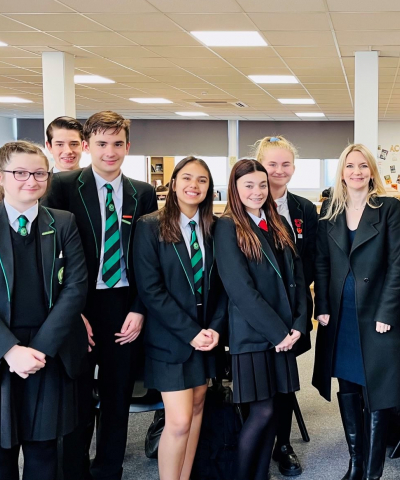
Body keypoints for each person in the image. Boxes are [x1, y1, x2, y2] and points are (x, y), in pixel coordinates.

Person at [0, 141, 88, 480]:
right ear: (0, 176)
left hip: (48, 352)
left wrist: (38, 350)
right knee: (0, 454)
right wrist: (11, 351)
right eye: (21, 172)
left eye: (40, 172)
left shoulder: (64, 222)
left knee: (44, 452)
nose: (31, 180)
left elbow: (75, 288)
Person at [42, 111, 157, 480]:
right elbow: (53, 255)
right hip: (78, 305)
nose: (110, 152)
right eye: (102, 144)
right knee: (75, 394)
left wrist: (140, 308)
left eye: (118, 144)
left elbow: (150, 258)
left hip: (124, 305)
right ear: (88, 145)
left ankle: (109, 468)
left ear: (128, 146)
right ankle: (73, 470)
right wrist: (71, 311)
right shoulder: (61, 185)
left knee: (117, 394)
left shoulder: (143, 193)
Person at [312, 143, 400, 480]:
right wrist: (320, 305)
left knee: (377, 388)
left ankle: (372, 471)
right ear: (341, 172)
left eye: (363, 166)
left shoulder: (389, 208)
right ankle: (355, 464)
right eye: (350, 166)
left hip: (376, 313)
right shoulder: (330, 210)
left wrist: (387, 312)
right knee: (349, 386)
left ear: (372, 171)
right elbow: (322, 263)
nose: (356, 172)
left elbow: (399, 265)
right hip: (341, 313)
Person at [134, 157, 227, 480]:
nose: (194, 185)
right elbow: (150, 289)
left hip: (206, 337)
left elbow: (224, 286)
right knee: (178, 421)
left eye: (202, 180)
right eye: (186, 178)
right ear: (173, 184)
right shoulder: (150, 226)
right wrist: (190, 332)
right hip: (170, 338)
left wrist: (215, 328)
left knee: (199, 406)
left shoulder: (216, 228)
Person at [214, 159, 306, 480]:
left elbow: (297, 276)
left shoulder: (277, 220)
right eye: (248, 185)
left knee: (276, 411)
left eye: (262, 185)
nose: (256, 191)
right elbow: (240, 290)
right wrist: (279, 333)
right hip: (254, 336)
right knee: (262, 411)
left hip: (284, 333)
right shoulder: (227, 226)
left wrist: (299, 323)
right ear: (235, 189)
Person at [253, 135, 319, 477]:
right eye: (271, 164)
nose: (279, 171)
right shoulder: (246, 208)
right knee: (259, 384)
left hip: (293, 314)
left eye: (286, 164)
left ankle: (282, 444)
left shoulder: (304, 210)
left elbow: (308, 263)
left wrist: (298, 317)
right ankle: (255, 445)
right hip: (255, 318)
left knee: (283, 384)